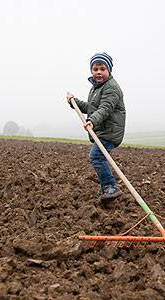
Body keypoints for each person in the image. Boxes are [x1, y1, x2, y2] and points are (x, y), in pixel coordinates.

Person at [67, 52, 126, 203]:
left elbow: (105, 108)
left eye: (102, 68)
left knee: (96, 157)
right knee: (98, 157)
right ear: (91, 71)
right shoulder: (97, 88)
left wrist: (92, 120)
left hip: (109, 131)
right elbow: (92, 107)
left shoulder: (111, 88)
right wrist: (74, 103)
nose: (98, 72)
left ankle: (111, 188)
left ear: (109, 70)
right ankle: (109, 196)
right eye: (95, 69)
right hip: (102, 130)